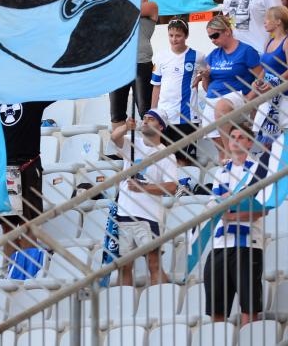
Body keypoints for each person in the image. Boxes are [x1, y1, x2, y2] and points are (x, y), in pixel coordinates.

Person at [203, 123, 268, 327]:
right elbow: (213, 206)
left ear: (250, 143)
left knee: (249, 307)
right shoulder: (222, 171)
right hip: (221, 244)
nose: (236, 140)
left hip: (248, 244)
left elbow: (260, 210)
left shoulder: (259, 170)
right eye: (233, 136)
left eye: (241, 137)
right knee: (217, 309)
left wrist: (231, 215)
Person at [110, 109, 179, 286]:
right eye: (145, 118)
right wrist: (126, 126)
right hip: (124, 212)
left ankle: (162, 300)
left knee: (153, 264)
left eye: (151, 119)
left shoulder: (167, 154)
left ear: (161, 127)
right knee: (124, 265)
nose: (146, 121)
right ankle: (124, 307)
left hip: (148, 216)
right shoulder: (133, 142)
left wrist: (144, 187)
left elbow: (172, 187)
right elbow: (114, 137)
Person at [195, 15, 262, 159]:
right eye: (210, 37)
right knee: (216, 143)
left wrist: (250, 97)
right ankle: (228, 165)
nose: (213, 40)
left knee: (221, 107)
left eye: (215, 35)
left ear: (227, 31)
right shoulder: (213, 55)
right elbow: (207, 89)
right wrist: (205, 76)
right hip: (213, 98)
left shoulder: (246, 51)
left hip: (237, 96)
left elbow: (261, 75)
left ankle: (230, 156)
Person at [0, 100, 53, 258]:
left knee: (29, 224)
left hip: (29, 167)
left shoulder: (32, 95)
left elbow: (58, 85)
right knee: (8, 227)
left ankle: (27, 273)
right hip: (3, 170)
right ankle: (11, 273)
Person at [150, 18, 205, 164]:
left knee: (183, 161)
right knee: (163, 160)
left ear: (186, 36)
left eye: (178, 35)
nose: (174, 39)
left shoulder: (198, 56)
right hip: (164, 117)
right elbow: (156, 86)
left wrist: (202, 77)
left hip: (187, 117)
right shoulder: (160, 57)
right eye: (171, 35)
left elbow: (207, 74)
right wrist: (152, 112)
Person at [109, 0, 158, 131]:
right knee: (117, 113)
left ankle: (151, 149)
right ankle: (122, 152)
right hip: (119, 63)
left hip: (140, 62)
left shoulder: (151, 6)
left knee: (145, 110)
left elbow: (127, 9)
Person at [252, 6, 288, 147]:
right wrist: (258, 80)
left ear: (278, 21)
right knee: (261, 134)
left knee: (282, 140)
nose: (265, 22)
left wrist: (276, 81)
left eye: (267, 19)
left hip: (284, 96)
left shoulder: (286, 42)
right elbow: (265, 69)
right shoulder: (269, 41)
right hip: (269, 96)